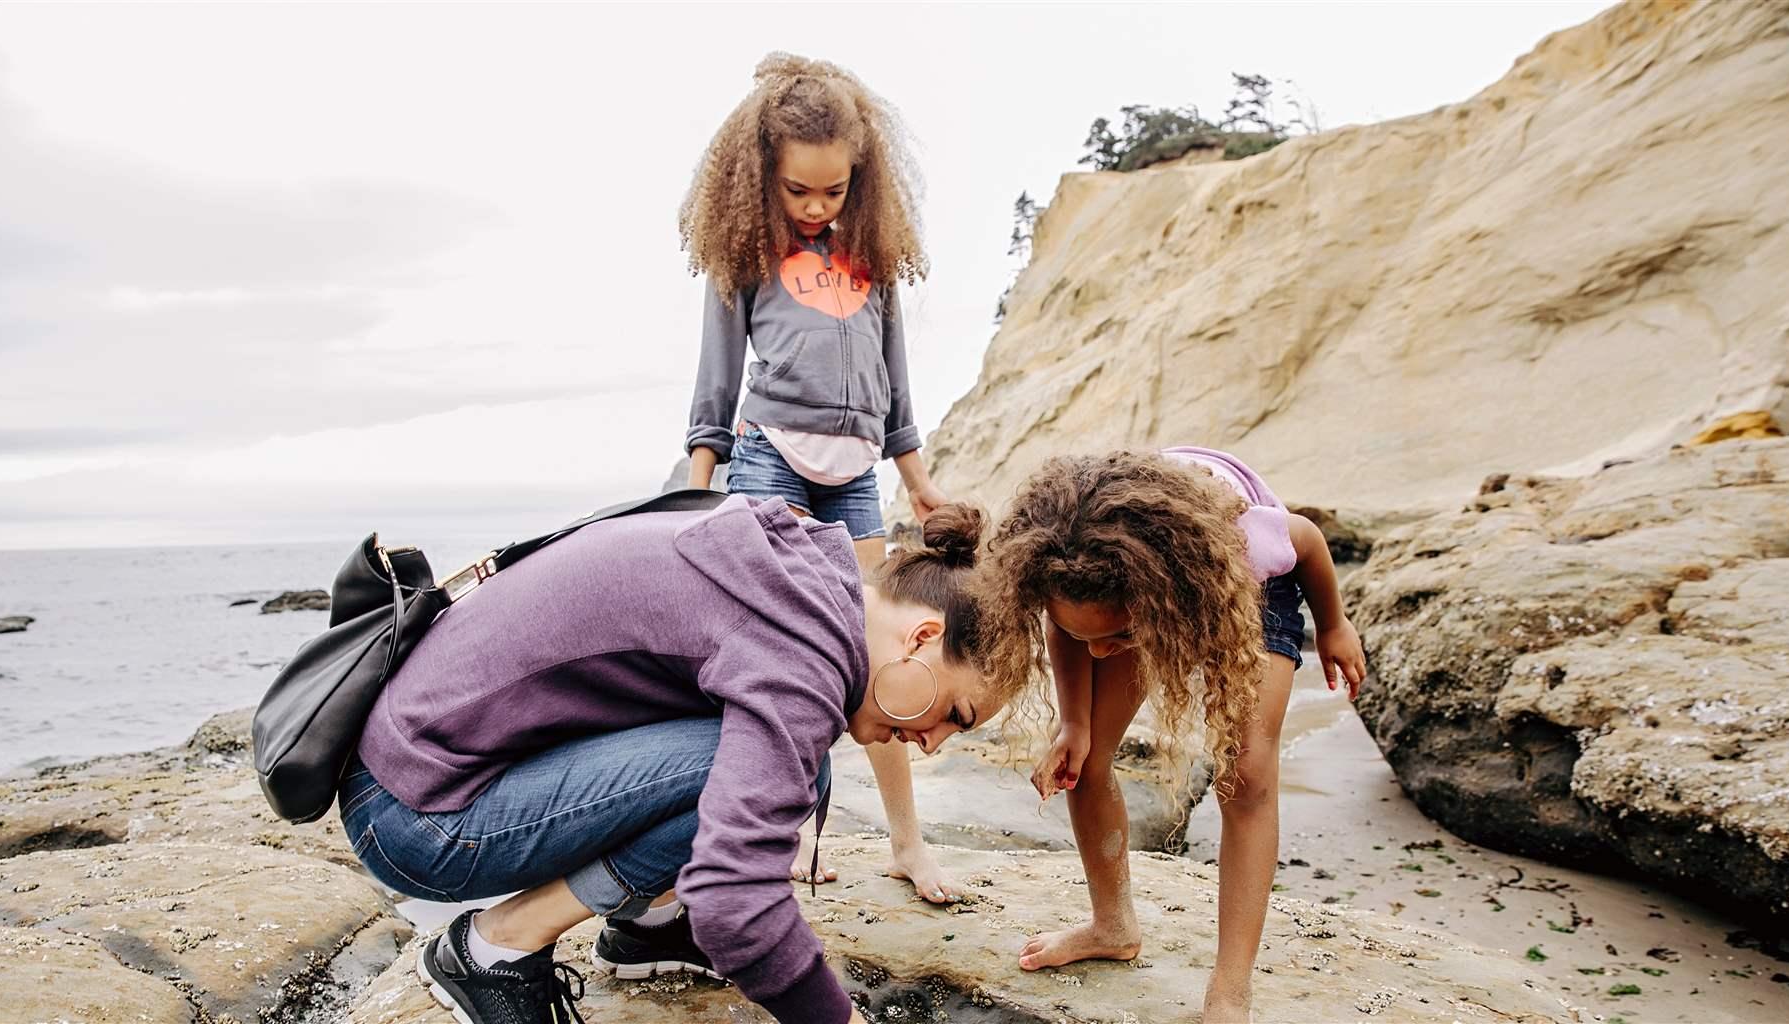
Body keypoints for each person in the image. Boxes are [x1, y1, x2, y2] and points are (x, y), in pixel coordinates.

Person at [340, 497, 1002, 1024]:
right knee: (773, 768)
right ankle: (493, 949)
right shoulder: (803, 649)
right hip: (418, 816)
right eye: (955, 714)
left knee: (796, 764)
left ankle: (649, 926)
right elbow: (733, 901)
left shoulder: (800, 568)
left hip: (415, 765)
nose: (934, 742)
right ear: (923, 636)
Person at [680, 53, 957, 903]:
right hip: (768, 460)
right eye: (799, 190)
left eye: (833, 191)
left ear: (858, 181)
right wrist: (697, 485)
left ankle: (908, 842)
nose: (814, 206)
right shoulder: (747, 253)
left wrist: (919, 484)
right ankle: (786, 833)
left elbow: (897, 384)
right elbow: (717, 382)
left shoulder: (871, 256)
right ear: (766, 174)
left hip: (854, 477)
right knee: (784, 660)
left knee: (877, 665)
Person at [978, 448, 1366, 1024]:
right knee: (1082, 761)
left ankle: (1229, 993)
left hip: (1250, 591)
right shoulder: (1074, 564)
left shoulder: (1249, 543)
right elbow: (1073, 631)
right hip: (1143, 584)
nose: (1099, 653)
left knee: (1248, 779)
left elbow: (1306, 539)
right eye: (1086, 636)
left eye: (1114, 636)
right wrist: (1076, 724)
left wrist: (1334, 625)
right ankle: (1112, 926)